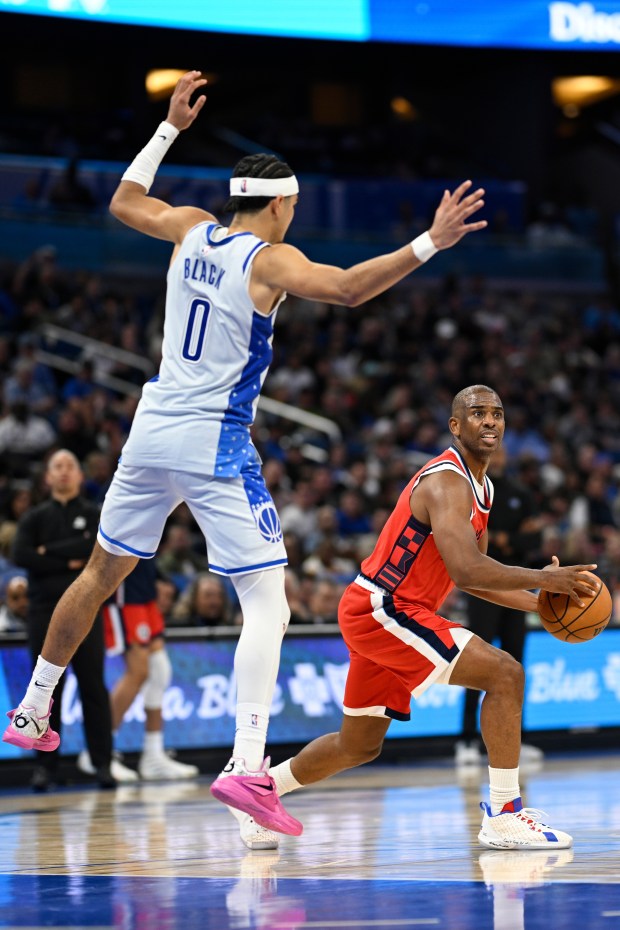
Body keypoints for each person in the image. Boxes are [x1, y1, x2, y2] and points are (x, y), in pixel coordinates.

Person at [3, 71, 486, 846]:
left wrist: (167, 129)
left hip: (150, 425)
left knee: (99, 574)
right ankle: (248, 760)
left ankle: (32, 708)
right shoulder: (270, 260)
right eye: (292, 206)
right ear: (282, 203)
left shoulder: (193, 226)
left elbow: (125, 202)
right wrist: (432, 240)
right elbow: (352, 288)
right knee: (269, 602)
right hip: (213, 439)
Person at [230, 386, 599, 850]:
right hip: (385, 607)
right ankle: (504, 815)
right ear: (455, 425)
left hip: (383, 610)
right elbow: (467, 568)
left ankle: (259, 792)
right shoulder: (448, 482)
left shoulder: (481, 486)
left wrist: (540, 604)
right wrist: (546, 581)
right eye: (477, 413)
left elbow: (471, 579)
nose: (490, 422)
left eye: (497, 414)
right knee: (506, 674)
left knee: (359, 744)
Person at [9, 450, 131, 790]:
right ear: (47, 477)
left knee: (93, 687)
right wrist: (72, 560)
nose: (64, 472)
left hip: (89, 614)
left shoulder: (95, 513)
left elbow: (97, 549)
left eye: (70, 466)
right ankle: (45, 768)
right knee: (46, 693)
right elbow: (21, 554)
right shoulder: (34, 518)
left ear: (80, 476)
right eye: (57, 467)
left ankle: (103, 764)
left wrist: (49, 552)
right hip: (42, 612)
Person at [455, 443, 545, 766]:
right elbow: (472, 538)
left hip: (515, 585)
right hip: (482, 586)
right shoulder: (474, 491)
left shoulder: (522, 493)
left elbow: (535, 539)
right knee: (473, 661)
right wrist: (511, 538)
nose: (501, 456)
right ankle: (466, 739)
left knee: (515, 665)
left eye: (505, 452)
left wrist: (506, 540)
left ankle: (517, 739)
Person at [82, 558, 200, 781]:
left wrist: (159, 578)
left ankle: (153, 756)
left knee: (159, 670)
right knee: (138, 672)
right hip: (124, 594)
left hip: (144, 591)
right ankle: (97, 752)